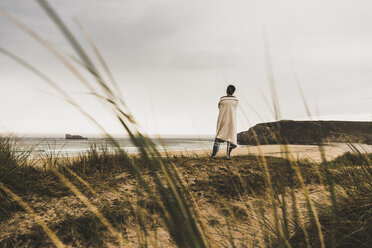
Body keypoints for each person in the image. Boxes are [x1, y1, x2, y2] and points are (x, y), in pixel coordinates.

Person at [210, 84, 239, 160]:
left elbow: (219, 107)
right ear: (233, 91)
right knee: (230, 137)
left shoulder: (222, 100)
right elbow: (234, 108)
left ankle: (213, 155)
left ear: (226, 90)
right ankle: (228, 156)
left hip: (222, 119)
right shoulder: (235, 101)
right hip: (231, 120)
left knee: (218, 137)